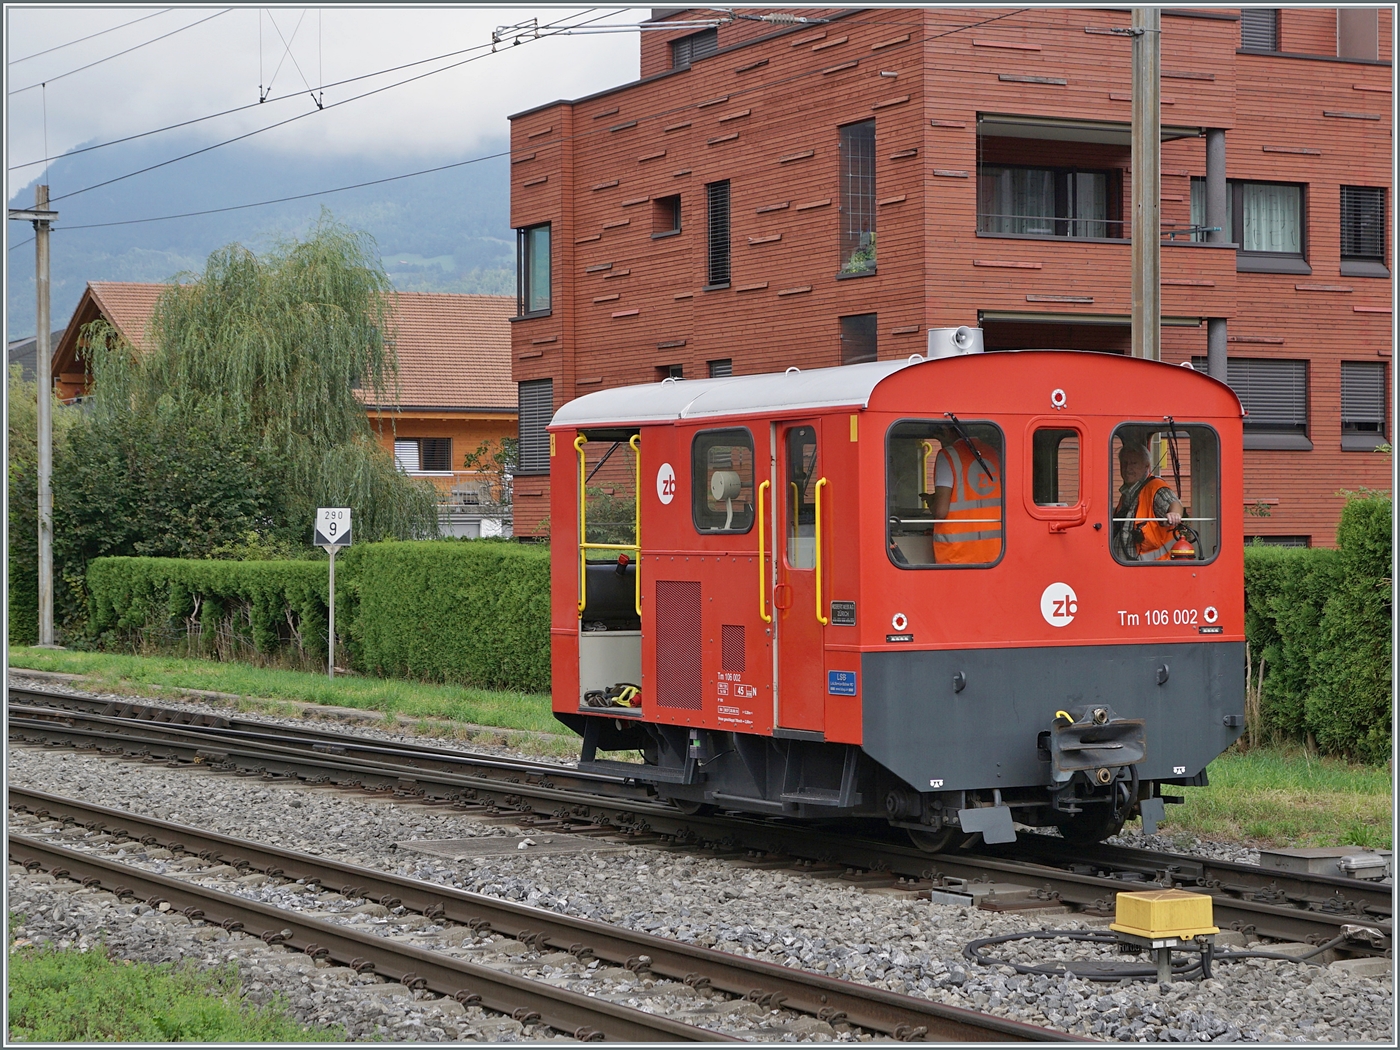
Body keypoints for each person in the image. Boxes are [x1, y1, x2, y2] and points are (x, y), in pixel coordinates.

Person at [923, 426, 1003, 564]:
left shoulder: (947, 456)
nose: (941, 443)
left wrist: (931, 501)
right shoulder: (995, 453)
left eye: (939, 438)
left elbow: (941, 511)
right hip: (995, 552)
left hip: (957, 553)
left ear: (947, 431)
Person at [1112, 443, 1184, 562]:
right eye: (1124, 463)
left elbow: (1174, 503)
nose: (1128, 468)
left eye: (1134, 463)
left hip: (1150, 568)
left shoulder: (1155, 487)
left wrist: (1174, 514)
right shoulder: (1127, 494)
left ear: (1146, 466)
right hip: (1123, 566)